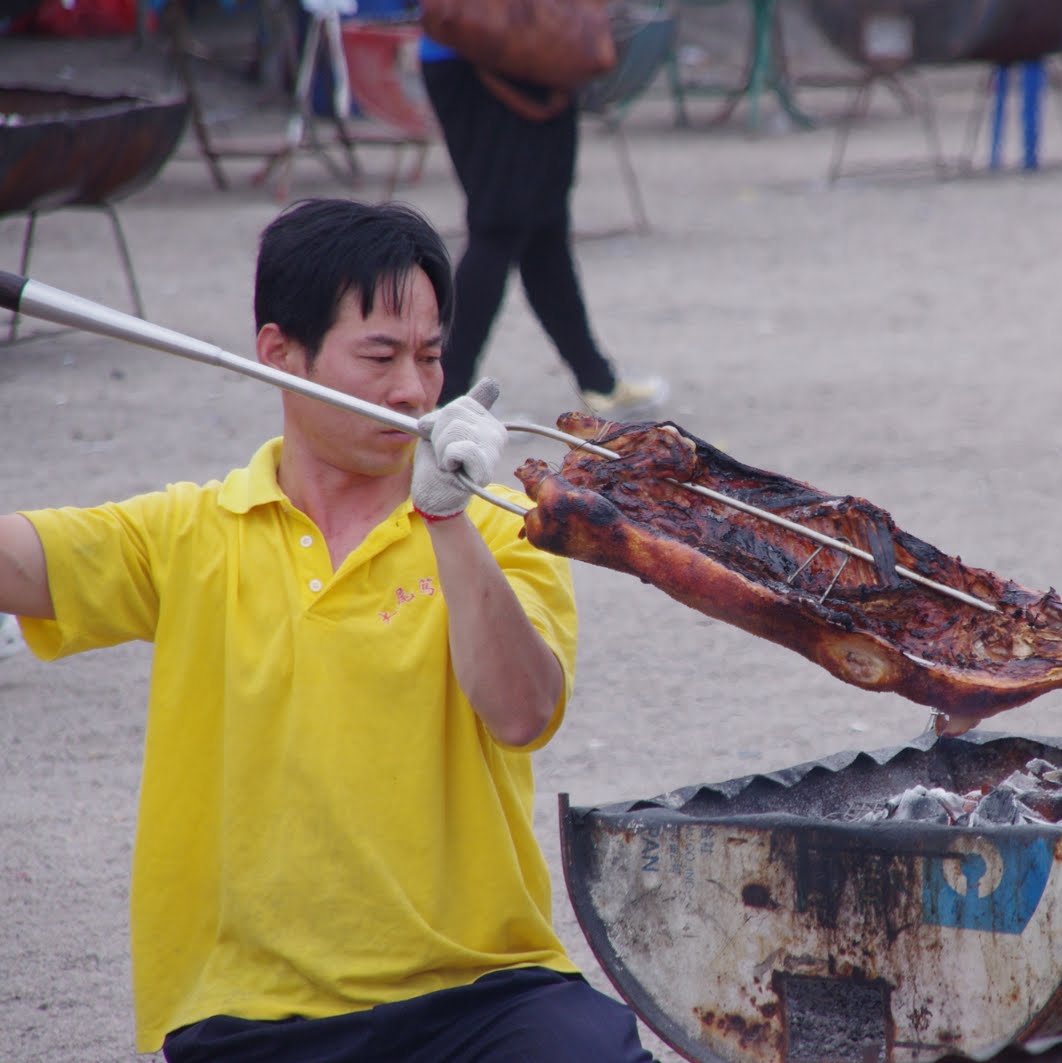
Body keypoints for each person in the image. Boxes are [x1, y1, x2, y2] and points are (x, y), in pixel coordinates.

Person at [0, 198, 656, 1063]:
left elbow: (522, 711)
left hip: (485, 992)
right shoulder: (192, 532)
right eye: (380, 355)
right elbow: (19, 563)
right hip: (252, 1015)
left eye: (430, 356)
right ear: (279, 352)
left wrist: (447, 521)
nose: (415, 389)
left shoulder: (501, 530)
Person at [419, 36, 667, 416]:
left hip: (536, 56)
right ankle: (445, 395)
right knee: (498, 226)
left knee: (545, 231)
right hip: (489, 54)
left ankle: (597, 380)